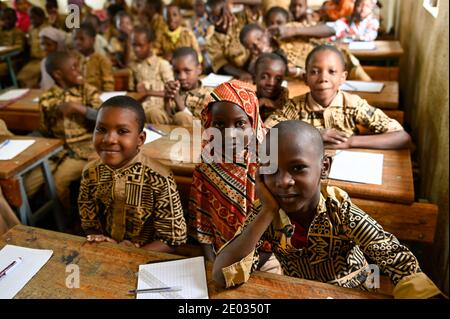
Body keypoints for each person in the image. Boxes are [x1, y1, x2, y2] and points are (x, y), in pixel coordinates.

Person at [212, 120, 443, 299]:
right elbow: (222, 276)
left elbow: (399, 262)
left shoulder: (341, 213)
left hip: (353, 291)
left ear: (324, 168)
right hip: (300, 291)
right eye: (271, 169)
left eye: (298, 168)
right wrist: (266, 213)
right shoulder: (267, 213)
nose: (283, 181)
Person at [189, 80, 281, 273]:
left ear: (254, 122)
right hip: (219, 255)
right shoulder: (206, 163)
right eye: (219, 124)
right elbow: (201, 219)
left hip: (266, 257)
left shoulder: (269, 164)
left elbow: (278, 229)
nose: (229, 134)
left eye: (240, 124)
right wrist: (213, 261)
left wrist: (248, 265)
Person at [78, 95, 187, 252]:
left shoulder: (159, 178)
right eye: (101, 129)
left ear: (140, 139)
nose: (109, 139)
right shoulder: (90, 172)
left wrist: (131, 254)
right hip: (106, 249)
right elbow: (89, 224)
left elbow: (173, 238)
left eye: (122, 131)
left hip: (147, 253)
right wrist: (99, 239)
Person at [265, 45, 411, 150]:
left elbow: (401, 137)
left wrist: (350, 142)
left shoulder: (353, 105)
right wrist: (312, 135)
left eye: (332, 72)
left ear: (343, 77)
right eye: (315, 72)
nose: (323, 78)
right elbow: (265, 134)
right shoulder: (295, 107)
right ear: (305, 78)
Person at [25, 51, 102, 217]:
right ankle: (40, 220)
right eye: (73, 68)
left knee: (57, 183)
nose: (79, 70)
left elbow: (104, 117)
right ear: (58, 74)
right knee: (29, 186)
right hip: (57, 150)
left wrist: (79, 108)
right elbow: (45, 129)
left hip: (85, 150)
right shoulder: (47, 97)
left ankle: (66, 223)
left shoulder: (87, 91)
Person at [240, 23, 371, 81]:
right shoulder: (261, 65)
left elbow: (330, 30)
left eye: (258, 38)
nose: (258, 45)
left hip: (346, 64)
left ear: (266, 32)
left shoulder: (286, 31)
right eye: (252, 46)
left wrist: (295, 31)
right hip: (324, 81)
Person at [128, 26, 174, 124]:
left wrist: (148, 92)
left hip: (159, 110)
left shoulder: (161, 64)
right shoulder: (133, 66)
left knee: (153, 114)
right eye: (134, 45)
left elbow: (172, 92)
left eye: (140, 45)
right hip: (140, 109)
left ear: (150, 45)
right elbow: (132, 91)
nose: (136, 49)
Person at [164, 47, 213, 126]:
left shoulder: (209, 95)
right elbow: (168, 119)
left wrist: (178, 100)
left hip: (196, 136)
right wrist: (166, 99)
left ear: (199, 69)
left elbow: (200, 126)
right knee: (153, 113)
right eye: (176, 72)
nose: (181, 77)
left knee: (181, 117)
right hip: (169, 133)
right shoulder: (174, 89)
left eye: (187, 71)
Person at [205, 0, 252, 82]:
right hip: (236, 76)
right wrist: (241, 73)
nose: (222, 20)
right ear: (208, 18)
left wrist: (233, 1)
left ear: (229, 11)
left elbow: (261, 2)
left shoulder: (242, 19)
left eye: (223, 14)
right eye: (215, 18)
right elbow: (220, 63)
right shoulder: (211, 39)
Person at [74, 22, 114, 92]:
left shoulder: (102, 60)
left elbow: (108, 86)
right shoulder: (74, 60)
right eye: (75, 39)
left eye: (81, 39)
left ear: (93, 40)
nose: (78, 42)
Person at [17, 6, 47, 88]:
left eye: (34, 18)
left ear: (42, 17)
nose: (32, 20)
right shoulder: (31, 29)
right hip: (34, 60)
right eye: (30, 18)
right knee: (21, 77)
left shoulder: (47, 28)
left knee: (28, 78)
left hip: (44, 59)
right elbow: (29, 43)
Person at [254, 53, 290, 122]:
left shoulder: (287, 104)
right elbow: (229, 130)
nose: (271, 83)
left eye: (278, 79)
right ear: (254, 77)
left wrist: (274, 105)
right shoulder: (245, 100)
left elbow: (275, 132)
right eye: (264, 77)